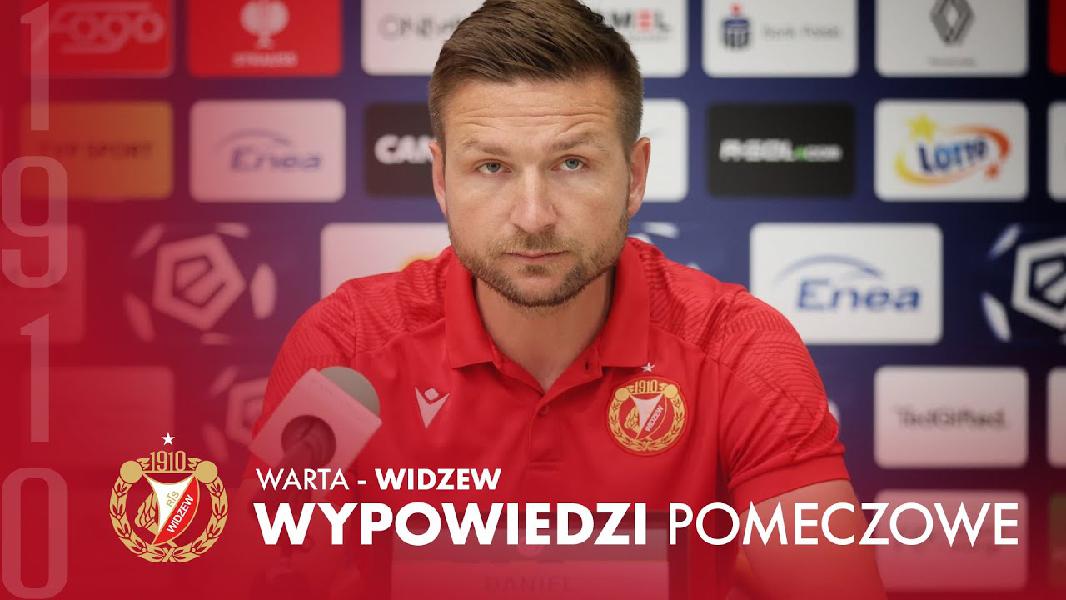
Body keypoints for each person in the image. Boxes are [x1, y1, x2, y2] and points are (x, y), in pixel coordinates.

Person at [252, 1, 886, 598]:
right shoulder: (346, 347)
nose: (533, 216)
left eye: (572, 164)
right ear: (441, 179)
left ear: (635, 175)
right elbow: (262, 574)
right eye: (492, 167)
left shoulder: (738, 347)